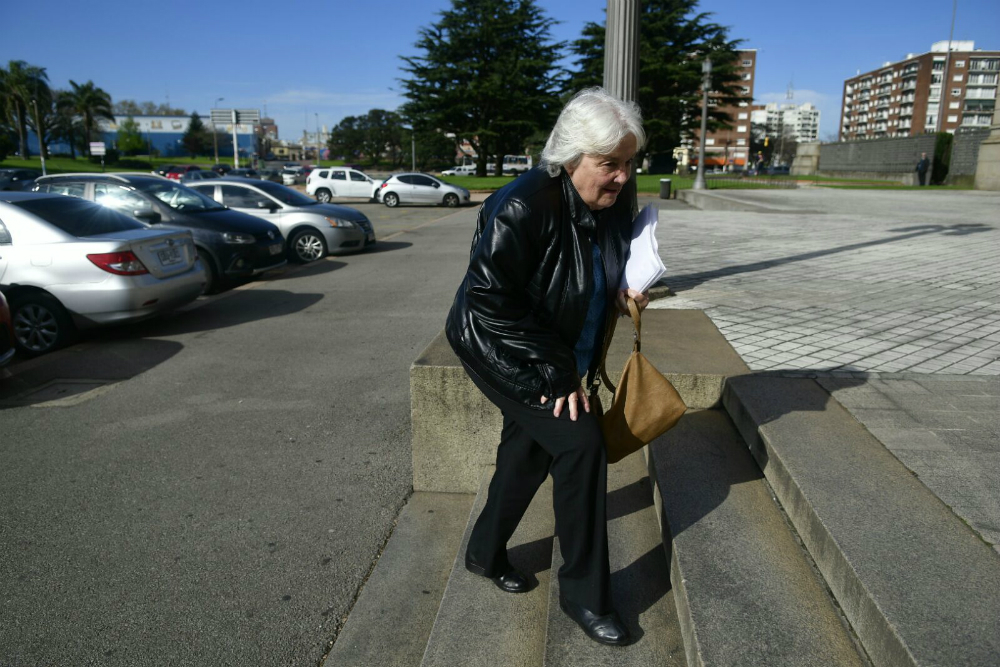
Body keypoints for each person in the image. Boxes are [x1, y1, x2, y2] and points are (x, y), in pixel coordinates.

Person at [445, 87, 649, 646]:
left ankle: (484, 553)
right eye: (610, 164)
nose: (623, 178)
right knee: (581, 445)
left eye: (630, 164)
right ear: (570, 157)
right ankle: (587, 596)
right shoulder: (524, 203)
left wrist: (627, 292)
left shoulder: (612, 203)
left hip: (562, 351)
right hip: (501, 349)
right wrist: (558, 372)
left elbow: (593, 272)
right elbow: (487, 300)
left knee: (527, 452)